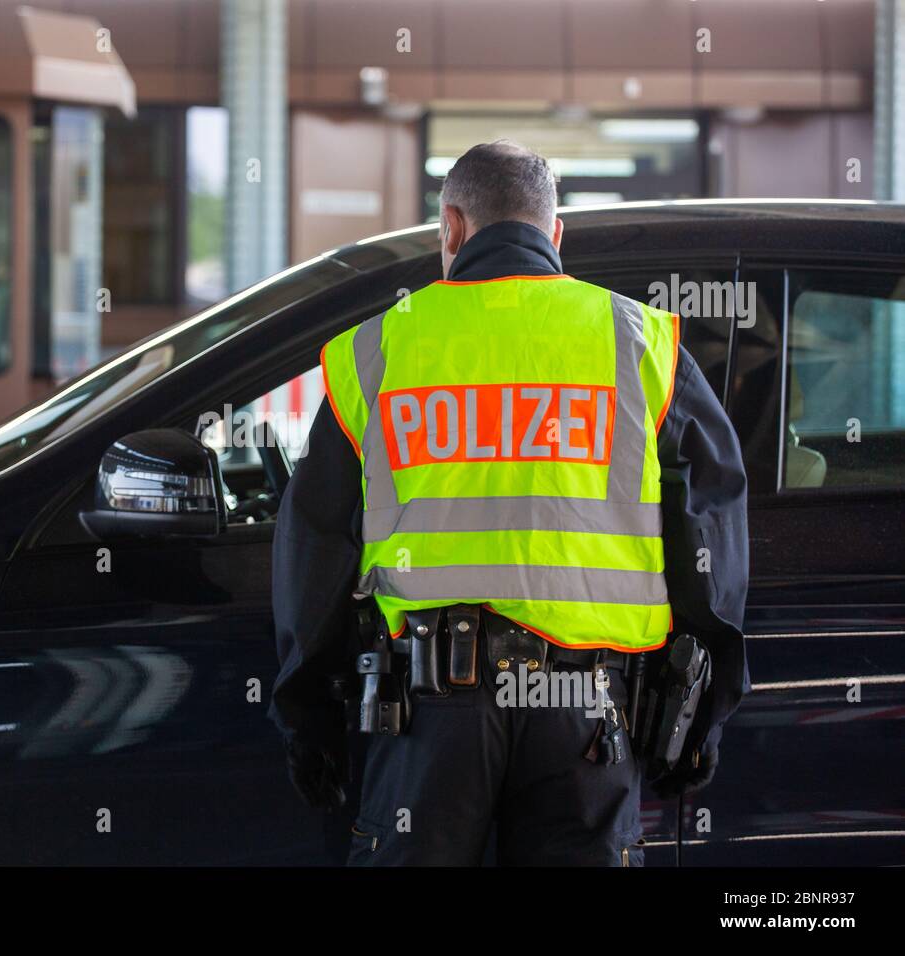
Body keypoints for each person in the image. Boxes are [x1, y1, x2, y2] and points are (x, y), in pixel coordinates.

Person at [270, 140, 749, 866]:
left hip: (428, 719)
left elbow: (315, 549)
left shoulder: (376, 352)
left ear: (452, 228)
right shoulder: (642, 344)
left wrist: (307, 718)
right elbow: (708, 529)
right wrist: (703, 709)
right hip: (586, 715)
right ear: (555, 234)